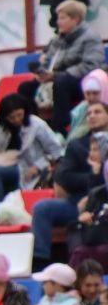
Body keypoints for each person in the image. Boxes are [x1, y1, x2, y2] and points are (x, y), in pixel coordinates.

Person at [35, 100, 108, 263]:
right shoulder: (77, 145)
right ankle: (40, 262)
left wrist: (97, 183)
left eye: (97, 112)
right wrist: (92, 178)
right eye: (89, 113)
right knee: (43, 208)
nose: (92, 116)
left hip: (103, 202)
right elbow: (64, 177)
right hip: (79, 200)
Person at [0, 90, 64, 219]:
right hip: (4, 163)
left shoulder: (37, 125)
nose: (16, 120)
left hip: (29, 168)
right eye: (12, 117)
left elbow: (55, 150)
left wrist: (38, 166)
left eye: (19, 115)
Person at [38, 0, 104, 118]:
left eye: (62, 18)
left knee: (61, 83)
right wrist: (42, 71)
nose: (58, 22)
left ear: (76, 19)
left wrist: (59, 75)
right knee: (26, 86)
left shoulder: (91, 37)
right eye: (58, 18)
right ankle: (31, 127)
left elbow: (91, 65)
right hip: (57, 78)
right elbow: (48, 61)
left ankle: (60, 128)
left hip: (81, 81)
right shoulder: (57, 39)